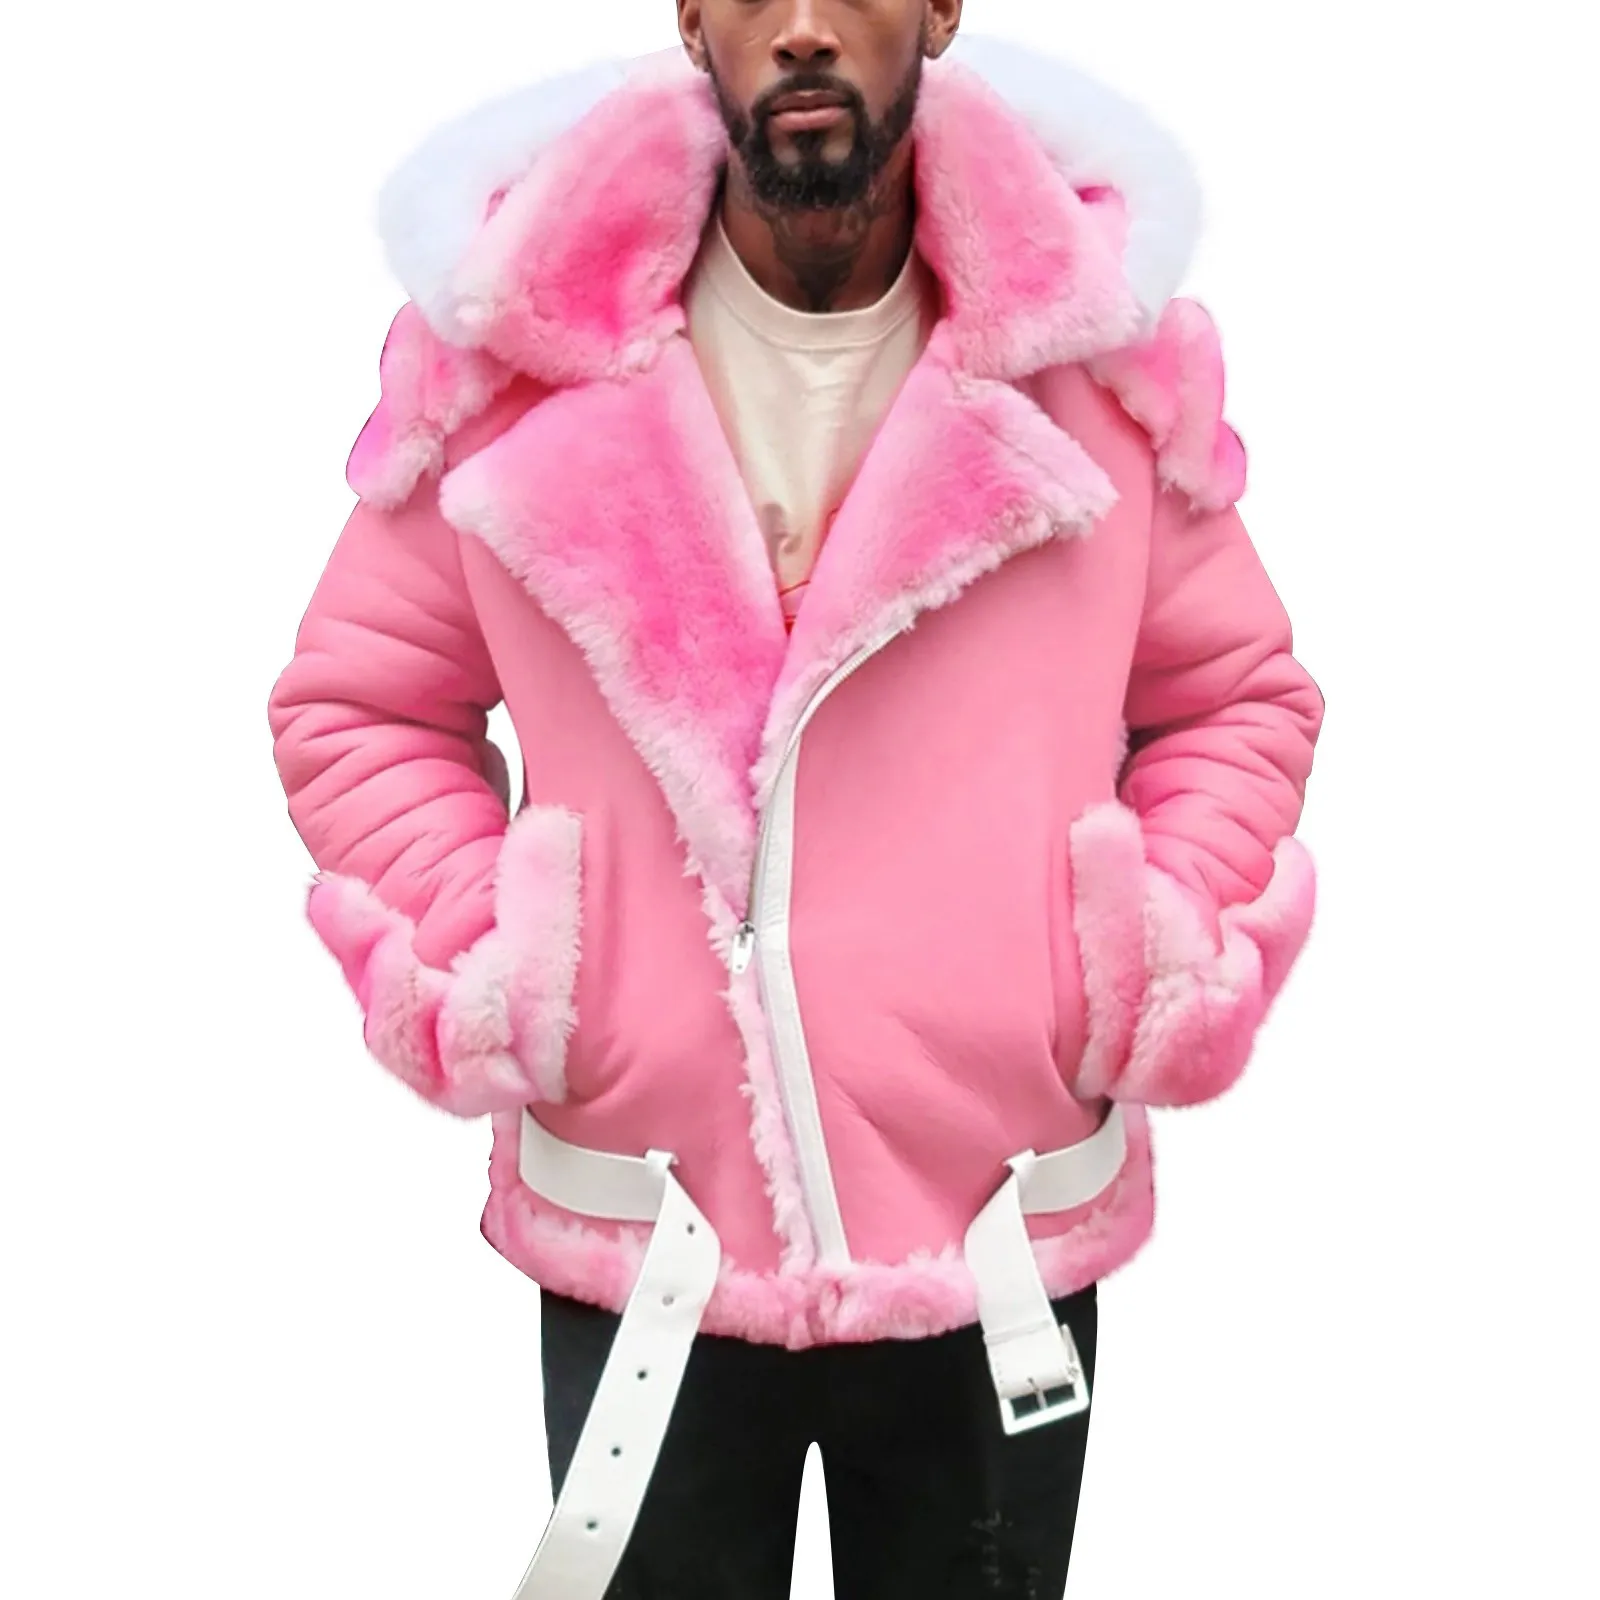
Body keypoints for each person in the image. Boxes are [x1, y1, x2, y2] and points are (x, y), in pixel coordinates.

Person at [266, 4, 1325, 1595]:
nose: (808, 26)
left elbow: (1236, 696)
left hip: (996, 1235)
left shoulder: (1100, 367)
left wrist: (1140, 952)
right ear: (692, 12)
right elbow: (362, 701)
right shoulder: (509, 364)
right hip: (648, 1234)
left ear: (942, 10)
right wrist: (506, 961)